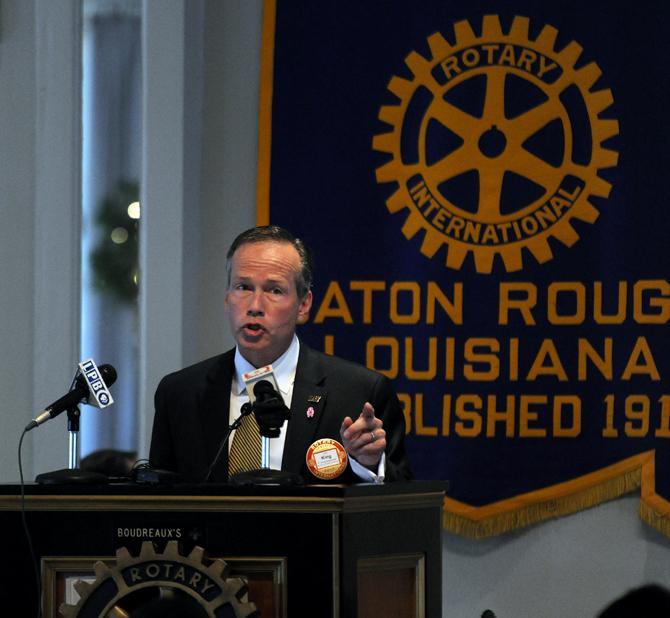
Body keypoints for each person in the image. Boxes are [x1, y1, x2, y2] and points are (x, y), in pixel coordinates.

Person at [149, 225, 412, 483]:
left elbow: (403, 504)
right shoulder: (179, 394)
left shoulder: (359, 393)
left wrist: (366, 463)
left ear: (304, 305)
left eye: (274, 290)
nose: (254, 306)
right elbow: (157, 507)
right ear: (227, 296)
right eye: (243, 287)